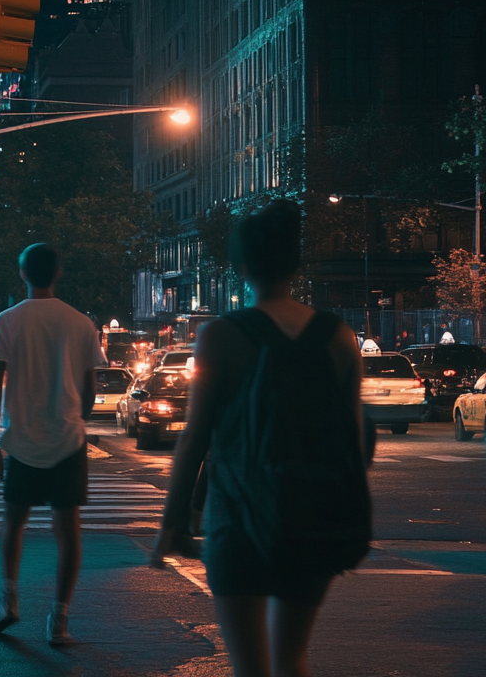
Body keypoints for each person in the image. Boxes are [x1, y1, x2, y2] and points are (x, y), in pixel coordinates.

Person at [150, 201, 371, 677]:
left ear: (240, 267)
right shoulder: (339, 338)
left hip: (238, 519)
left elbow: (195, 439)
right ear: (295, 263)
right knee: (293, 659)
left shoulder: (221, 336)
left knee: (250, 666)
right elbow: (354, 439)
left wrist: (173, 523)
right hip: (314, 519)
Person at [0, 244, 104, 646]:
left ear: (22, 273)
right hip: (68, 440)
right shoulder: (81, 324)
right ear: (59, 272)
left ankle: (10, 598)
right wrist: (74, 417)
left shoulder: (7, 321)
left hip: (21, 439)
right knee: (68, 532)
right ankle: (60, 620)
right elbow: (89, 390)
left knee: (13, 523)